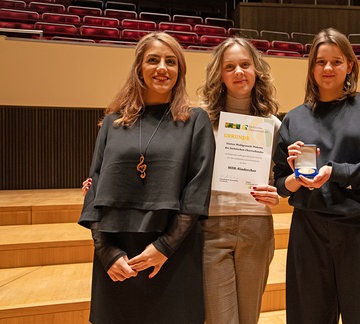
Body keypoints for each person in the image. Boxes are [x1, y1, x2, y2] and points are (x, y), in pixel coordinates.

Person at [79, 32, 215, 324]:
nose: (162, 68)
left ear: (180, 71)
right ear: (139, 67)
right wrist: (105, 251)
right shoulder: (113, 123)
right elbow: (95, 187)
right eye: (153, 60)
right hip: (117, 256)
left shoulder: (195, 121)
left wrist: (164, 247)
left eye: (171, 61)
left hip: (174, 254)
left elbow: (196, 192)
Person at [272, 28, 360, 324]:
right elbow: (279, 182)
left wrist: (336, 172)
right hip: (309, 233)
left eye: (336, 61)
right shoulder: (294, 117)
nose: (328, 68)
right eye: (320, 62)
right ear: (311, 67)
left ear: (350, 65)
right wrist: (293, 180)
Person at [197, 37, 281, 324]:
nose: (238, 72)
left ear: (256, 70)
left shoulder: (273, 124)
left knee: (248, 319)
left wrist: (277, 193)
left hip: (256, 227)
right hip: (212, 229)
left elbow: (281, 179)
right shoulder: (202, 121)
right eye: (229, 67)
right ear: (219, 75)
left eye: (245, 65)